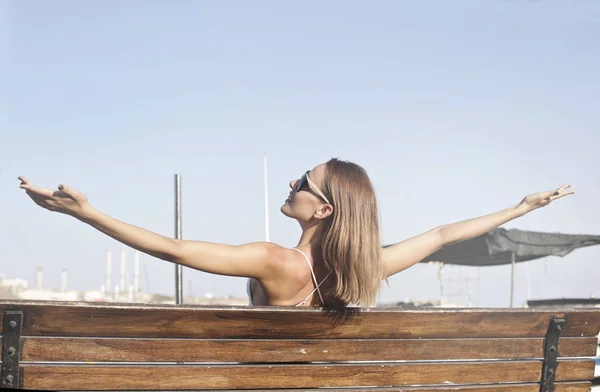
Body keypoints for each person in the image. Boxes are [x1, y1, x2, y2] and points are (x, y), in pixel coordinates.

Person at [18, 158, 573, 308]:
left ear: (323, 209)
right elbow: (444, 233)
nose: (293, 181)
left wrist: (86, 214)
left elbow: (173, 249)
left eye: (303, 181)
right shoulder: (366, 268)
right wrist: (519, 207)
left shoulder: (276, 262)